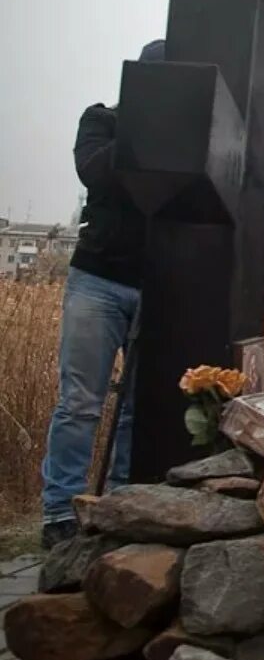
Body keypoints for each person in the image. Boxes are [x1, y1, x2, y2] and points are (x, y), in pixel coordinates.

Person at [40, 40, 161, 549]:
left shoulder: (184, 137)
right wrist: (145, 124)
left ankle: (118, 504)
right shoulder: (103, 121)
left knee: (137, 406)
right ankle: (59, 514)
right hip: (97, 280)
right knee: (80, 402)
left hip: (153, 284)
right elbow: (95, 172)